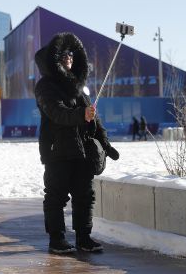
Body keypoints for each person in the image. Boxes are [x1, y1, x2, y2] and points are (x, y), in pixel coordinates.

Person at [34, 32, 119, 254]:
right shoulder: (45, 86)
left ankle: (84, 237)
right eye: (64, 55)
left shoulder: (78, 87)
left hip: (82, 151)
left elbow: (94, 118)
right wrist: (82, 114)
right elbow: (57, 113)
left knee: (84, 196)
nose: (69, 58)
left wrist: (105, 143)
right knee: (56, 196)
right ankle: (57, 239)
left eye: (71, 54)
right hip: (57, 151)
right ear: (55, 60)